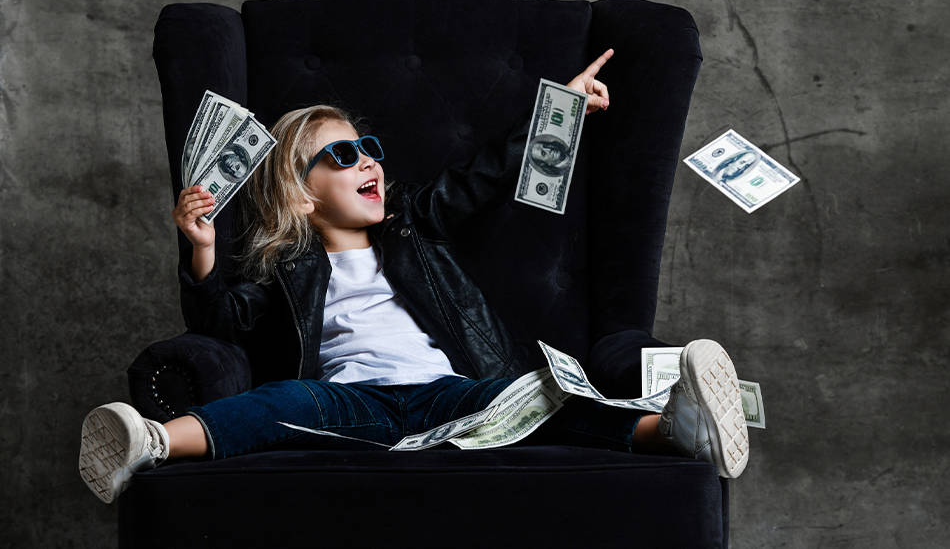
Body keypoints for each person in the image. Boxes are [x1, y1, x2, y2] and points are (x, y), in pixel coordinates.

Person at [79, 49, 749, 504]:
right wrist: (200, 250)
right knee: (275, 404)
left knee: (543, 405)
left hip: (444, 392)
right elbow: (222, 322)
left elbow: (482, 176)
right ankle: (151, 441)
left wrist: (562, 108)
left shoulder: (413, 224)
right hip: (346, 402)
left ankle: (678, 430)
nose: (367, 158)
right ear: (303, 191)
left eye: (368, 147)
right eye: (342, 155)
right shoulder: (286, 265)